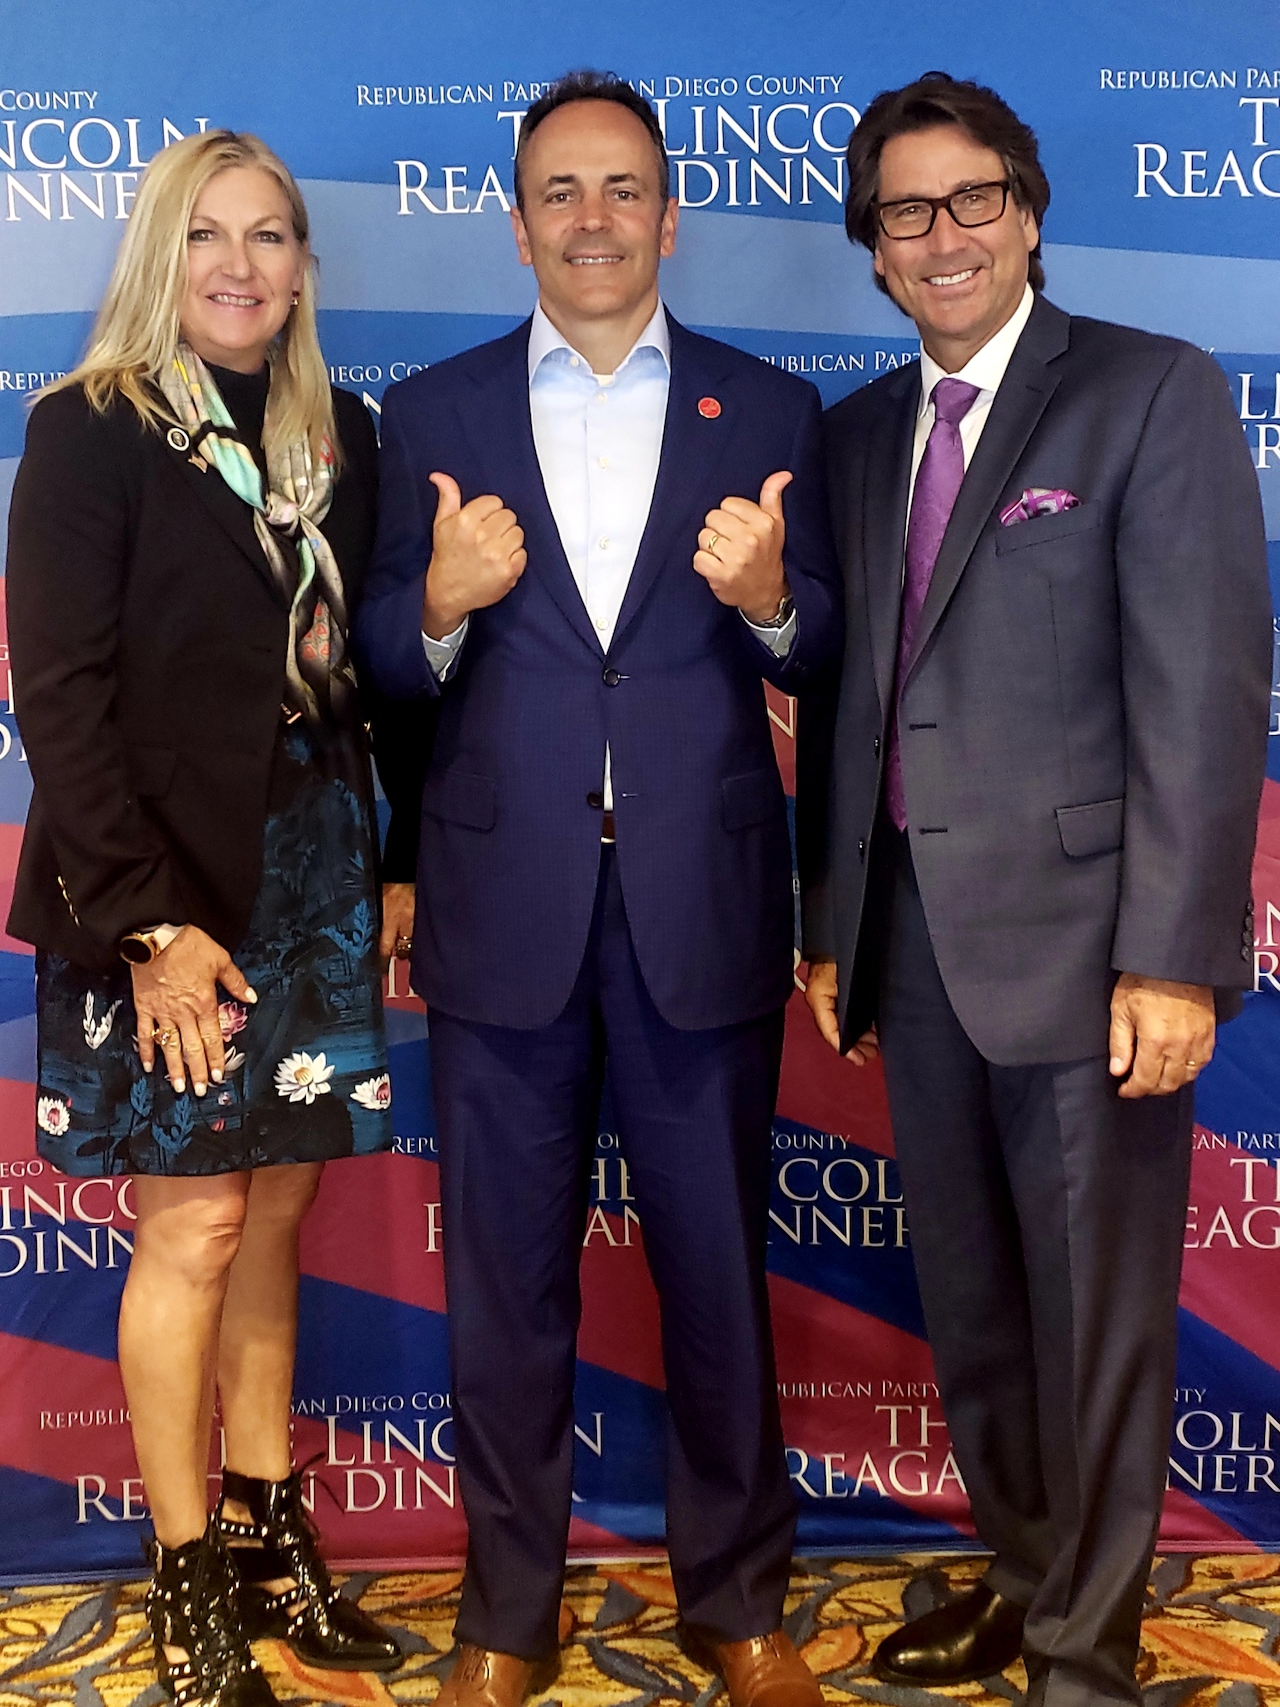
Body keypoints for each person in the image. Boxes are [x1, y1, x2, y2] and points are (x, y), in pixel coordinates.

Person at [357, 68, 842, 1707]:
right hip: (507, 915)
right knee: (506, 1285)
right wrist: (436, 600)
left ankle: (740, 1601)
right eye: (558, 192)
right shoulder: (425, 415)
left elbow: (831, 648)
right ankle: (507, 1614)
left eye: (621, 188)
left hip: (702, 910)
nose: (591, 219)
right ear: (515, 224)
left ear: (668, 212)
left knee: (717, 1271)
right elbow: (377, 669)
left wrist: (778, 605)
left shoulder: (772, 413)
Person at [797, 72, 1270, 1706]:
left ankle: (1088, 1651)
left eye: (974, 199)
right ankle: (1023, 1577)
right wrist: (827, 931)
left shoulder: (1153, 394)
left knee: (1096, 1324)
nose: (945, 238)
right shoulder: (860, 436)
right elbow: (855, 698)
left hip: (1091, 954)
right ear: (872, 251)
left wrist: (1176, 960)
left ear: (1031, 211)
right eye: (908, 213)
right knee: (979, 1308)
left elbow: (1204, 700)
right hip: (913, 944)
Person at [6, 130, 420, 1707]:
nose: (241, 267)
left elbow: (373, 670)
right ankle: (183, 1576)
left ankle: (268, 1533)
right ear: (158, 260)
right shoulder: (90, 433)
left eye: (270, 238)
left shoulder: (345, 433)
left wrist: (397, 867)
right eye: (207, 238)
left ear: (305, 265)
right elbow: (61, 693)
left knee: (278, 1217)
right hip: (158, 894)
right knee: (192, 1227)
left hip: (312, 868)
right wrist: (145, 924)